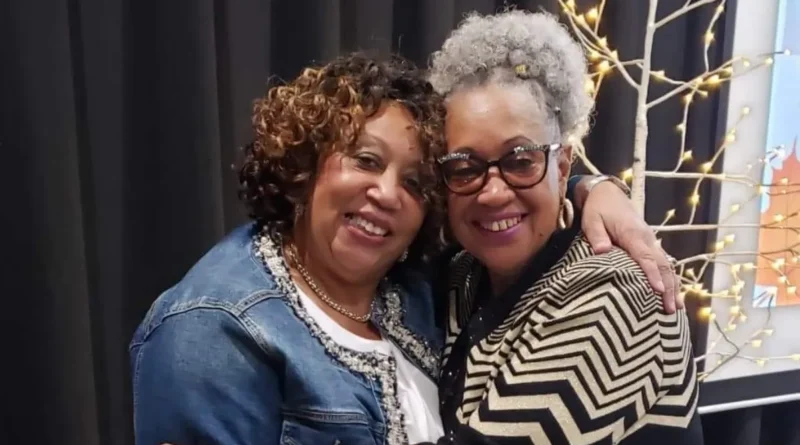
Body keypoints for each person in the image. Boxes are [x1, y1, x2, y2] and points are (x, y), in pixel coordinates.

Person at [130, 53, 681, 445]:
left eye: (417, 181)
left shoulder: (419, 287)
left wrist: (594, 188)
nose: (389, 194)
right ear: (304, 163)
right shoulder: (211, 329)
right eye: (366, 160)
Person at [427, 10, 703, 445]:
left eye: (521, 161)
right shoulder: (463, 274)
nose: (493, 192)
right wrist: (591, 188)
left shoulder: (619, 292)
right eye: (465, 167)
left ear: (562, 163)